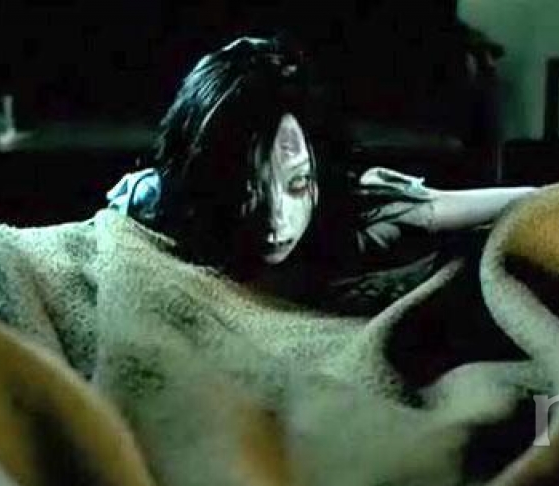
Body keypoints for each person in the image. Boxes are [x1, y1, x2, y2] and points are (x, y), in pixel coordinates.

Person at [106, 36, 535, 308]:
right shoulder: (156, 201)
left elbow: (481, 204)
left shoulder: (354, 204)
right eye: (249, 190)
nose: (277, 221)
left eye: (297, 185)